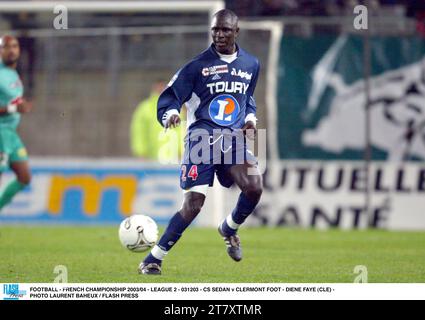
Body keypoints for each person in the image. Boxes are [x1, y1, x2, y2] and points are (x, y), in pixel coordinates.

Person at [139, 9, 263, 275]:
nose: (219, 34)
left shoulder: (251, 64)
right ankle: (153, 258)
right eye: (216, 29)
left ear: (236, 32)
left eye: (225, 30)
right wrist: (171, 114)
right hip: (201, 138)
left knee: (254, 186)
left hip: (232, 139)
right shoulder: (197, 66)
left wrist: (250, 119)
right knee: (194, 204)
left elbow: (247, 98)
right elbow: (171, 96)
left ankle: (229, 228)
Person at [0, 35, 32, 211]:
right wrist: (13, 109)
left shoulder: (12, 74)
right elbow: (10, 107)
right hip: (0, 132)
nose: (11, 50)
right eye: (6, 47)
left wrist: (20, 106)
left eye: (15, 46)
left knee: (24, 177)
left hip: (11, 134)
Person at [130, 80, 185, 162]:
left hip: (174, 158)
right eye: (160, 87)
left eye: (164, 87)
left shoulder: (176, 108)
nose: (161, 89)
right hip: (151, 158)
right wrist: (141, 153)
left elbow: (182, 130)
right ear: (154, 88)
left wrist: (182, 151)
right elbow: (139, 131)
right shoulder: (145, 108)